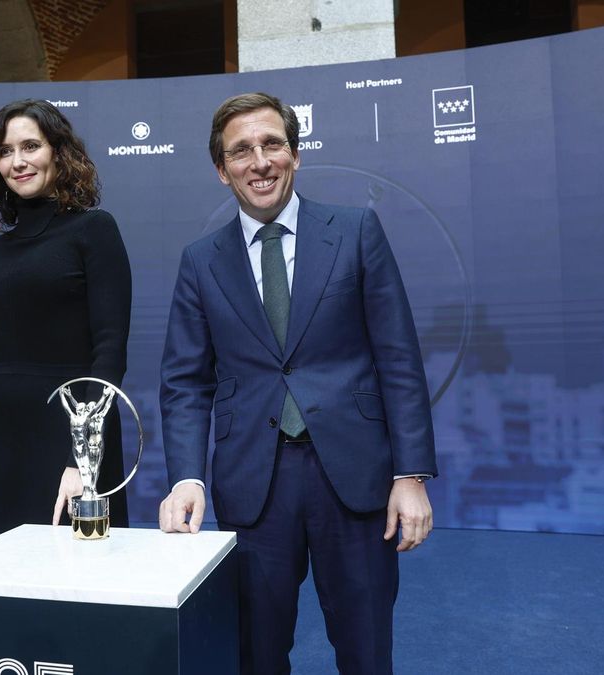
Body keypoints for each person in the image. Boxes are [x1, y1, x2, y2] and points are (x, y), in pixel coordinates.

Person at [158, 92, 438, 674]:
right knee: (256, 653)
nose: (259, 162)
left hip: (355, 480)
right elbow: (185, 381)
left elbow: (399, 359)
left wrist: (409, 475)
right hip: (253, 484)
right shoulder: (200, 260)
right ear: (221, 169)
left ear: (295, 154)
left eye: (272, 145)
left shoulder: (357, 231)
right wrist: (186, 474)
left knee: (366, 650)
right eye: (241, 151)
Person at [0, 99, 131, 549]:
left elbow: (110, 352)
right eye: (6, 151)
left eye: (31, 146)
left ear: (59, 153)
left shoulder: (94, 231)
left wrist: (81, 460)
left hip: (73, 435)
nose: (18, 161)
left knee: (79, 585)